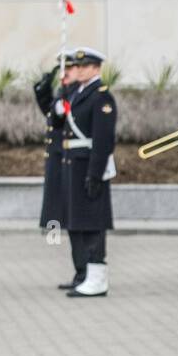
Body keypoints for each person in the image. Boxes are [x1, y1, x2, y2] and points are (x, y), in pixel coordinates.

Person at [58, 47, 117, 297]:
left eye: (83, 66)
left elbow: (103, 141)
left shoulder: (101, 96)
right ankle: (84, 274)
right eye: (76, 66)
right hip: (73, 165)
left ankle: (97, 278)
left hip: (89, 167)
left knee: (93, 223)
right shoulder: (77, 92)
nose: (77, 70)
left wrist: (95, 174)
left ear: (96, 68)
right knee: (78, 222)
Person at [33, 56, 79, 287]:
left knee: (75, 221)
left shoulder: (77, 95)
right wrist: (45, 84)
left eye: (67, 70)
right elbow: (48, 111)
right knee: (67, 220)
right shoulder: (63, 93)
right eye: (62, 70)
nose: (64, 75)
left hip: (68, 164)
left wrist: (64, 108)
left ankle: (85, 272)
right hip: (59, 164)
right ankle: (81, 272)